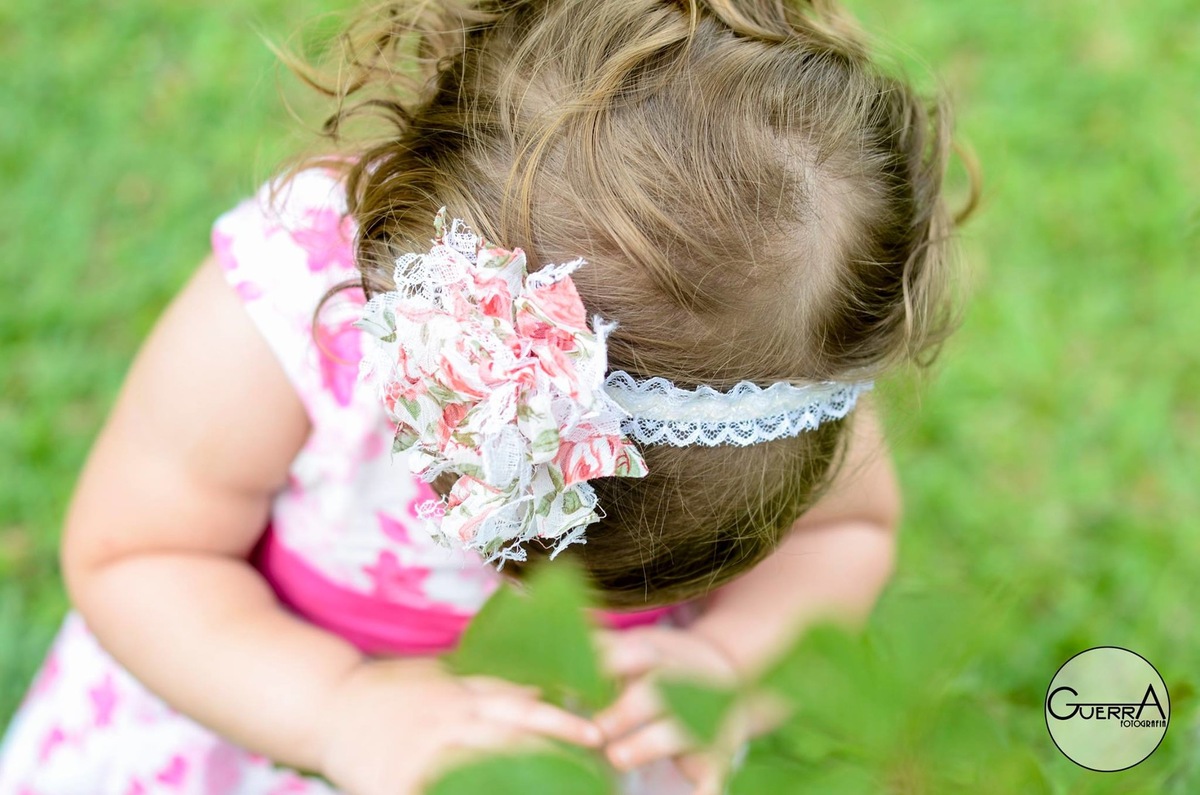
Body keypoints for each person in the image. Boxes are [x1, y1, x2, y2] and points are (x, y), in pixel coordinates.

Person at [0, 0, 970, 792]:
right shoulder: (292, 305)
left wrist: (724, 666)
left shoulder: (784, 358)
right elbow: (139, 551)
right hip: (262, 714)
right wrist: (338, 707)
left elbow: (843, 539)